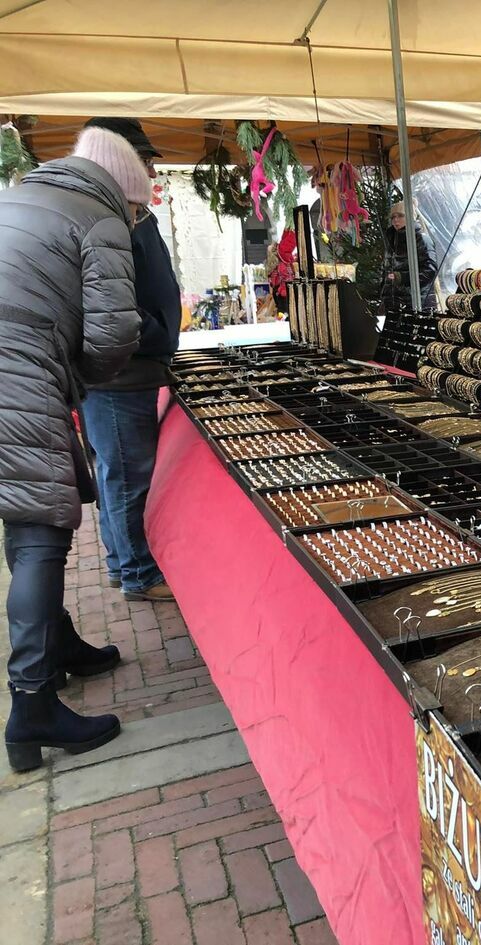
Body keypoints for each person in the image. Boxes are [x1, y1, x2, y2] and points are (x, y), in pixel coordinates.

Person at [0, 126, 146, 770]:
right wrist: (77, 379)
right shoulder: (99, 217)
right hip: (18, 371)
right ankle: (31, 703)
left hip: (15, 362)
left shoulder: (22, 195)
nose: (136, 220)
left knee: (23, 518)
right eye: (138, 209)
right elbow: (114, 335)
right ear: (123, 192)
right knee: (40, 529)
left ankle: (55, 646)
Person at [80, 117, 181, 603]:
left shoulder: (124, 214)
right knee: (126, 476)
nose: (150, 170)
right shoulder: (105, 218)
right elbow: (103, 302)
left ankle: (123, 563)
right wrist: (154, 330)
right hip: (119, 376)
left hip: (128, 370)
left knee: (117, 473)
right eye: (141, 160)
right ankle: (137, 572)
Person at [382, 201, 438, 313]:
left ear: (410, 216)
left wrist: (401, 277)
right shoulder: (391, 239)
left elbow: (430, 270)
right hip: (395, 303)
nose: (395, 220)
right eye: (393, 217)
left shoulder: (421, 239)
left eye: (400, 216)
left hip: (419, 303)